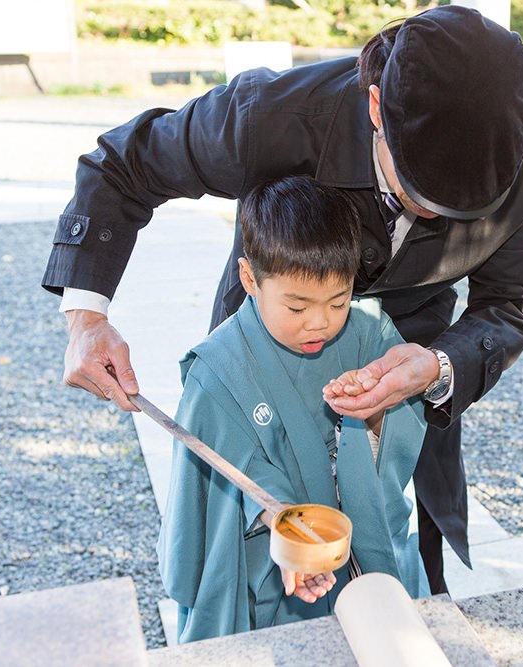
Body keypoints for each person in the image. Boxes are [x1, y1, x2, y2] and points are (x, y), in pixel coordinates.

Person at [43, 5, 523, 594]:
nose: (434, 213)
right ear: (376, 109)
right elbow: (123, 164)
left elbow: (514, 301)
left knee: (387, 538)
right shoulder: (271, 117)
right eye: (418, 187)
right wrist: (86, 317)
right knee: (257, 535)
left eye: (461, 206)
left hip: (405, 356)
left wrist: (438, 365)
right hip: (267, 345)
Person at [159, 176, 428, 643]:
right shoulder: (219, 371)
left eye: (338, 301)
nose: (319, 322)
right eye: (297, 307)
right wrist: (290, 533)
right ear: (250, 279)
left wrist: (373, 410)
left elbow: (400, 440)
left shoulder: (369, 332)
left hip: (367, 554)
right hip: (270, 570)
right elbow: (233, 473)